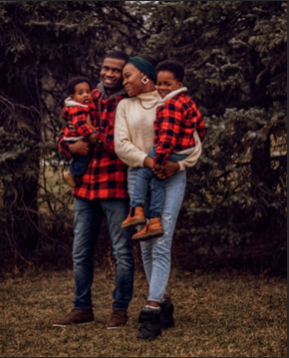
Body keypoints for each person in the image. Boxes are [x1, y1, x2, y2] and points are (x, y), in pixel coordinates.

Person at [114, 57, 204, 340]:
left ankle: (152, 310)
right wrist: (150, 163)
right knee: (147, 244)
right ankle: (162, 301)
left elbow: (195, 141)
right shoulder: (124, 106)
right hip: (140, 174)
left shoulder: (173, 99)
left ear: (146, 76)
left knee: (161, 240)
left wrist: (177, 166)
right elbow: (122, 145)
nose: (123, 80)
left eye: (129, 75)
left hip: (171, 175)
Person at [54, 51, 135, 330]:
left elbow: (119, 144)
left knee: (122, 252)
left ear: (125, 74)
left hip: (115, 188)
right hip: (86, 188)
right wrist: (69, 146)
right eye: (106, 68)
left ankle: (119, 310)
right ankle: (82, 308)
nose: (109, 74)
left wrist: (94, 137)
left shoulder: (129, 101)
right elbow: (66, 131)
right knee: (80, 252)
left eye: (117, 70)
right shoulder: (89, 96)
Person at [121, 60, 205, 241]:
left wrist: (159, 162)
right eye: (160, 83)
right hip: (176, 153)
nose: (162, 87)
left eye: (167, 84)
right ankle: (154, 220)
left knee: (145, 175)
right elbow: (200, 127)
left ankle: (136, 209)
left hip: (168, 157)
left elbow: (167, 138)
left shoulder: (168, 104)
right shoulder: (186, 102)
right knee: (157, 183)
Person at [61, 77, 97, 187]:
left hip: (76, 138)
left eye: (87, 92)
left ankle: (72, 173)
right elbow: (79, 124)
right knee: (84, 158)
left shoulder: (80, 106)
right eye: (81, 93)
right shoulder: (79, 108)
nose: (86, 95)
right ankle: (71, 173)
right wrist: (91, 133)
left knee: (81, 158)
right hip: (77, 138)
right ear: (73, 97)